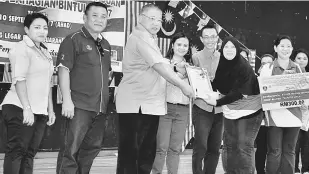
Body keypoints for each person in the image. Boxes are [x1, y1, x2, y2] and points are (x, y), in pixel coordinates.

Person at [115, 4, 194, 174]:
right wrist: (182, 84)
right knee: (131, 153)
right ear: (140, 18)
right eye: (152, 19)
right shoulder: (140, 37)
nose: (157, 23)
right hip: (136, 104)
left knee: (146, 152)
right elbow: (158, 65)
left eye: (159, 20)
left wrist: (176, 68)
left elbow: (161, 64)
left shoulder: (151, 39)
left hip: (149, 105)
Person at [56, 2, 112, 174]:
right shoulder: (73, 39)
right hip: (78, 106)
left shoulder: (106, 45)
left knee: (90, 151)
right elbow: (63, 70)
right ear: (85, 17)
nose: (99, 20)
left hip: (100, 108)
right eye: (94, 15)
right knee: (70, 152)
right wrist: (67, 101)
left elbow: (106, 75)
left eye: (103, 16)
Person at [1, 13, 56, 174]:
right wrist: (26, 108)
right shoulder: (21, 48)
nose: (42, 31)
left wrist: (50, 110)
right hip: (19, 107)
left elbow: (48, 83)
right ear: (26, 29)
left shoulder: (45, 52)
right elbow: (19, 79)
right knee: (17, 152)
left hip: (39, 111)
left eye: (45, 28)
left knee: (29, 153)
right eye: (37, 27)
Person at [203, 37, 263, 173]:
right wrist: (198, 81)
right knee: (229, 146)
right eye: (226, 47)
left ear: (237, 49)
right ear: (222, 49)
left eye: (232, 47)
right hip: (230, 110)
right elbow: (216, 84)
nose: (229, 50)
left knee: (243, 146)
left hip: (250, 111)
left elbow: (239, 93)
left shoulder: (243, 66)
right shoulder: (222, 64)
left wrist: (217, 102)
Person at [259, 35, 304, 174]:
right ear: (275, 48)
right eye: (282, 46)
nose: (285, 49)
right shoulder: (267, 68)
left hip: (294, 117)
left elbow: (302, 92)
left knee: (290, 151)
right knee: (274, 151)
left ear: (292, 49)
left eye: (289, 46)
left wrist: (306, 101)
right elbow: (263, 91)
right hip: (274, 116)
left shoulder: (297, 67)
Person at [152, 32, 192, 174]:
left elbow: (194, 89)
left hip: (183, 110)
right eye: (179, 44)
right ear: (172, 46)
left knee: (175, 148)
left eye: (185, 45)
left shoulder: (192, 68)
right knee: (161, 147)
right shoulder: (164, 63)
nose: (182, 48)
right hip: (165, 108)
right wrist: (177, 72)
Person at [191, 24, 224, 174]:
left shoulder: (224, 58)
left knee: (215, 147)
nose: (210, 40)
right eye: (206, 37)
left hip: (219, 109)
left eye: (213, 36)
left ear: (217, 38)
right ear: (201, 39)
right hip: (202, 108)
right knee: (201, 146)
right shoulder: (195, 58)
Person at [290, 48, 309, 174]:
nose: (302, 60)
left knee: (307, 144)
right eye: (299, 58)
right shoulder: (288, 75)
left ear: (308, 61)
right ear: (294, 59)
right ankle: (294, 169)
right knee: (294, 144)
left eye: (305, 58)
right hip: (293, 114)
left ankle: (305, 170)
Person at [254, 53, 274, 174]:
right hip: (260, 121)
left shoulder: (280, 80)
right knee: (261, 148)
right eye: (263, 63)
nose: (266, 66)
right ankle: (260, 171)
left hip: (276, 121)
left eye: (269, 63)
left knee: (274, 149)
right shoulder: (254, 81)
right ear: (260, 67)